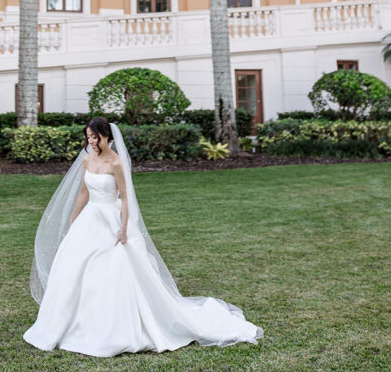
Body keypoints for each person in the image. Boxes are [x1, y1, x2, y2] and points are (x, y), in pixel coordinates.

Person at [23, 116, 263, 357]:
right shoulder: (87, 159)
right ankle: (70, 323)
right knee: (75, 266)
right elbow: (83, 193)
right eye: (88, 138)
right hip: (89, 220)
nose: (91, 141)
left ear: (106, 137)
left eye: (95, 137)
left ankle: (113, 327)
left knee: (113, 268)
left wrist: (123, 228)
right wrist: (74, 218)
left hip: (111, 219)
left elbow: (126, 197)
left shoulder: (116, 163)